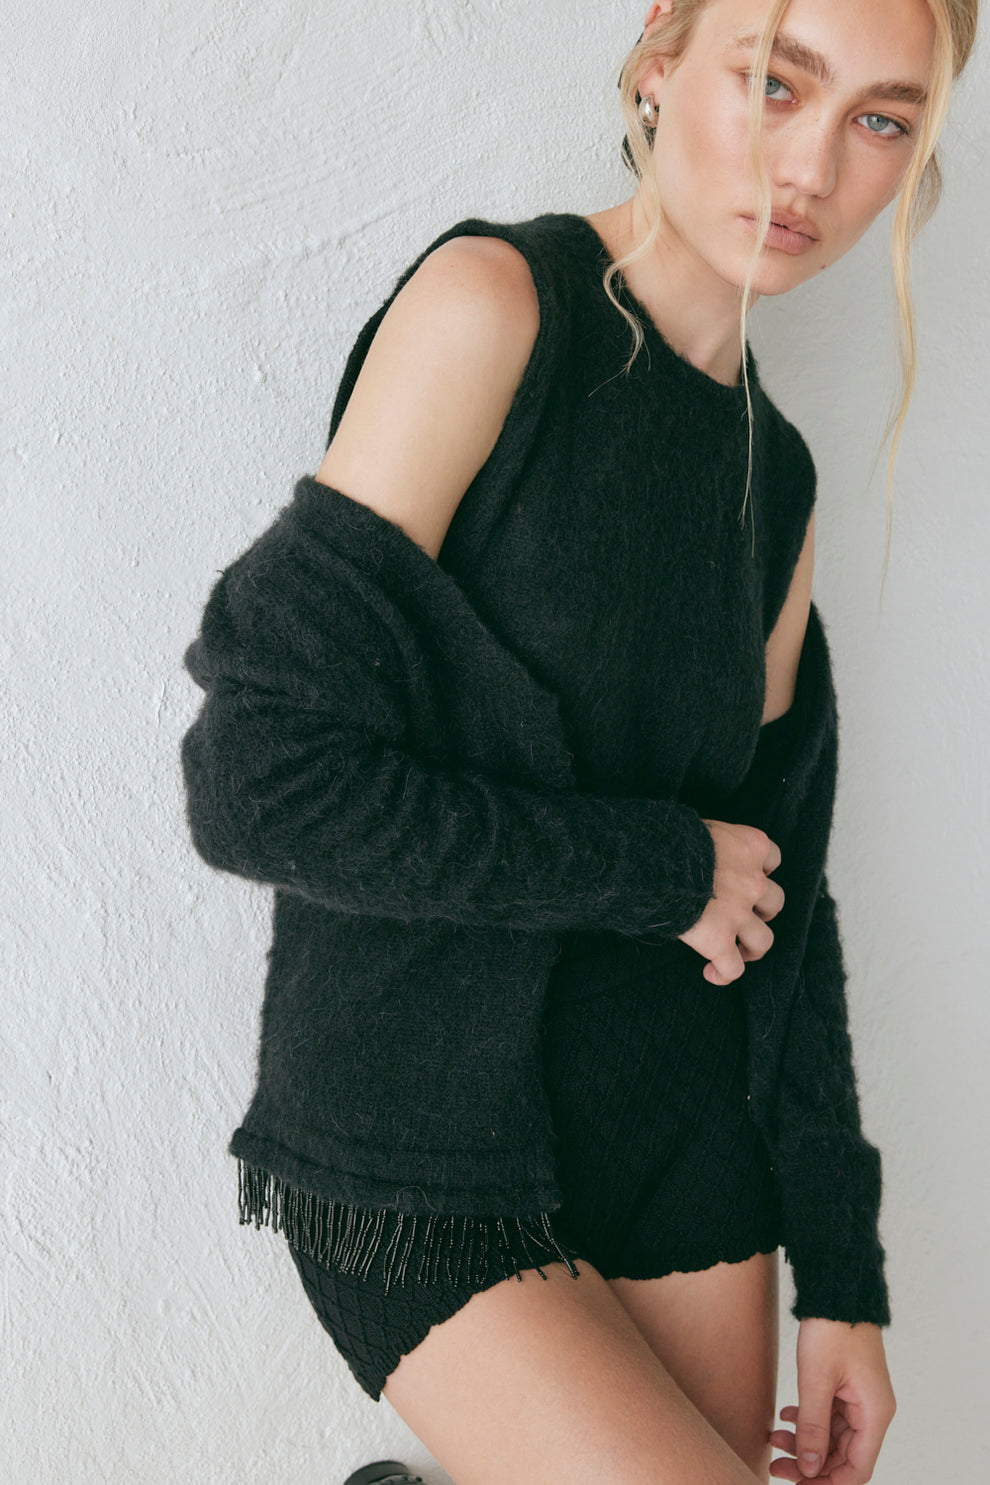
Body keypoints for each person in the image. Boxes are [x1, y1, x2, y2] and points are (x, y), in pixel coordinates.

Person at [179, 0, 978, 1481]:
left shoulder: (779, 481)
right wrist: (653, 867)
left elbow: (782, 903)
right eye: (773, 82)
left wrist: (843, 1276)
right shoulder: (495, 310)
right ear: (659, 61)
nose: (812, 165)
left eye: (880, 119)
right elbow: (257, 781)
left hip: (678, 1134)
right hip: (419, 1139)